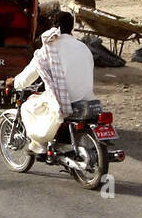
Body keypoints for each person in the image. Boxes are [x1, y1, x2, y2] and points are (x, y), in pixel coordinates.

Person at [6, 11, 95, 154]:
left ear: (53, 27)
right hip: (87, 97)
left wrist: (14, 82)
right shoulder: (83, 47)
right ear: (71, 27)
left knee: (28, 106)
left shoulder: (48, 48)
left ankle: (38, 145)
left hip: (67, 99)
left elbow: (28, 76)